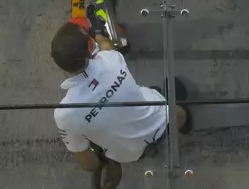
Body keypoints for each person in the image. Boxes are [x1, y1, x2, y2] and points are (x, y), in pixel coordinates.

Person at [50, 21, 189, 189]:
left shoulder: (65, 114)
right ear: (89, 48)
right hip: (159, 118)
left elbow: (89, 165)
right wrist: (99, 34)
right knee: (177, 108)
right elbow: (107, 45)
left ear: (52, 56)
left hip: (129, 154)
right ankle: (184, 121)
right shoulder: (110, 60)